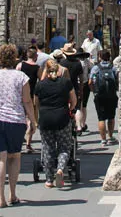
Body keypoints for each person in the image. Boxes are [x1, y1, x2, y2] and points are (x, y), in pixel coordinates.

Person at [0, 43, 33, 209]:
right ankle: (12, 193)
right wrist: (33, 120)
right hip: (14, 120)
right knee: (14, 157)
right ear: (15, 58)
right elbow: (27, 100)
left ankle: (0, 198)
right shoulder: (21, 77)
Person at [34, 57, 76, 189]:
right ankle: (60, 170)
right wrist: (69, 109)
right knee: (64, 146)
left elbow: (36, 103)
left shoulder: (40, 85)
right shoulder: (65, 82)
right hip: (62, 117)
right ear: (58, 70)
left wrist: (37, 118)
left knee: (47, 148)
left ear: (45, 70)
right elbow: (73, 100)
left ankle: (48, 180)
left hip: (46, 118)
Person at [89, 49, 119, 145]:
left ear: (100, 57)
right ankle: (110, 137)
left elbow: (90, 82)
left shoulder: (96, 68)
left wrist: (94, 92)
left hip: (100, 96)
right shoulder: (113, 67)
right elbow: (118, 79)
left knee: (101, 118)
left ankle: (103, 139)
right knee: (111, 117)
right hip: (111, 96)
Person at [16, 45, 40, 153]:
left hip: (19, 94)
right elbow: (42, 81)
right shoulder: (37, 67)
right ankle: (28, 143)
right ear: (35, 56)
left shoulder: (20, 65)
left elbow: (15, 78)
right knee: (31, 119)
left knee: (20, 118)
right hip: (31, 95)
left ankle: (19, 140)